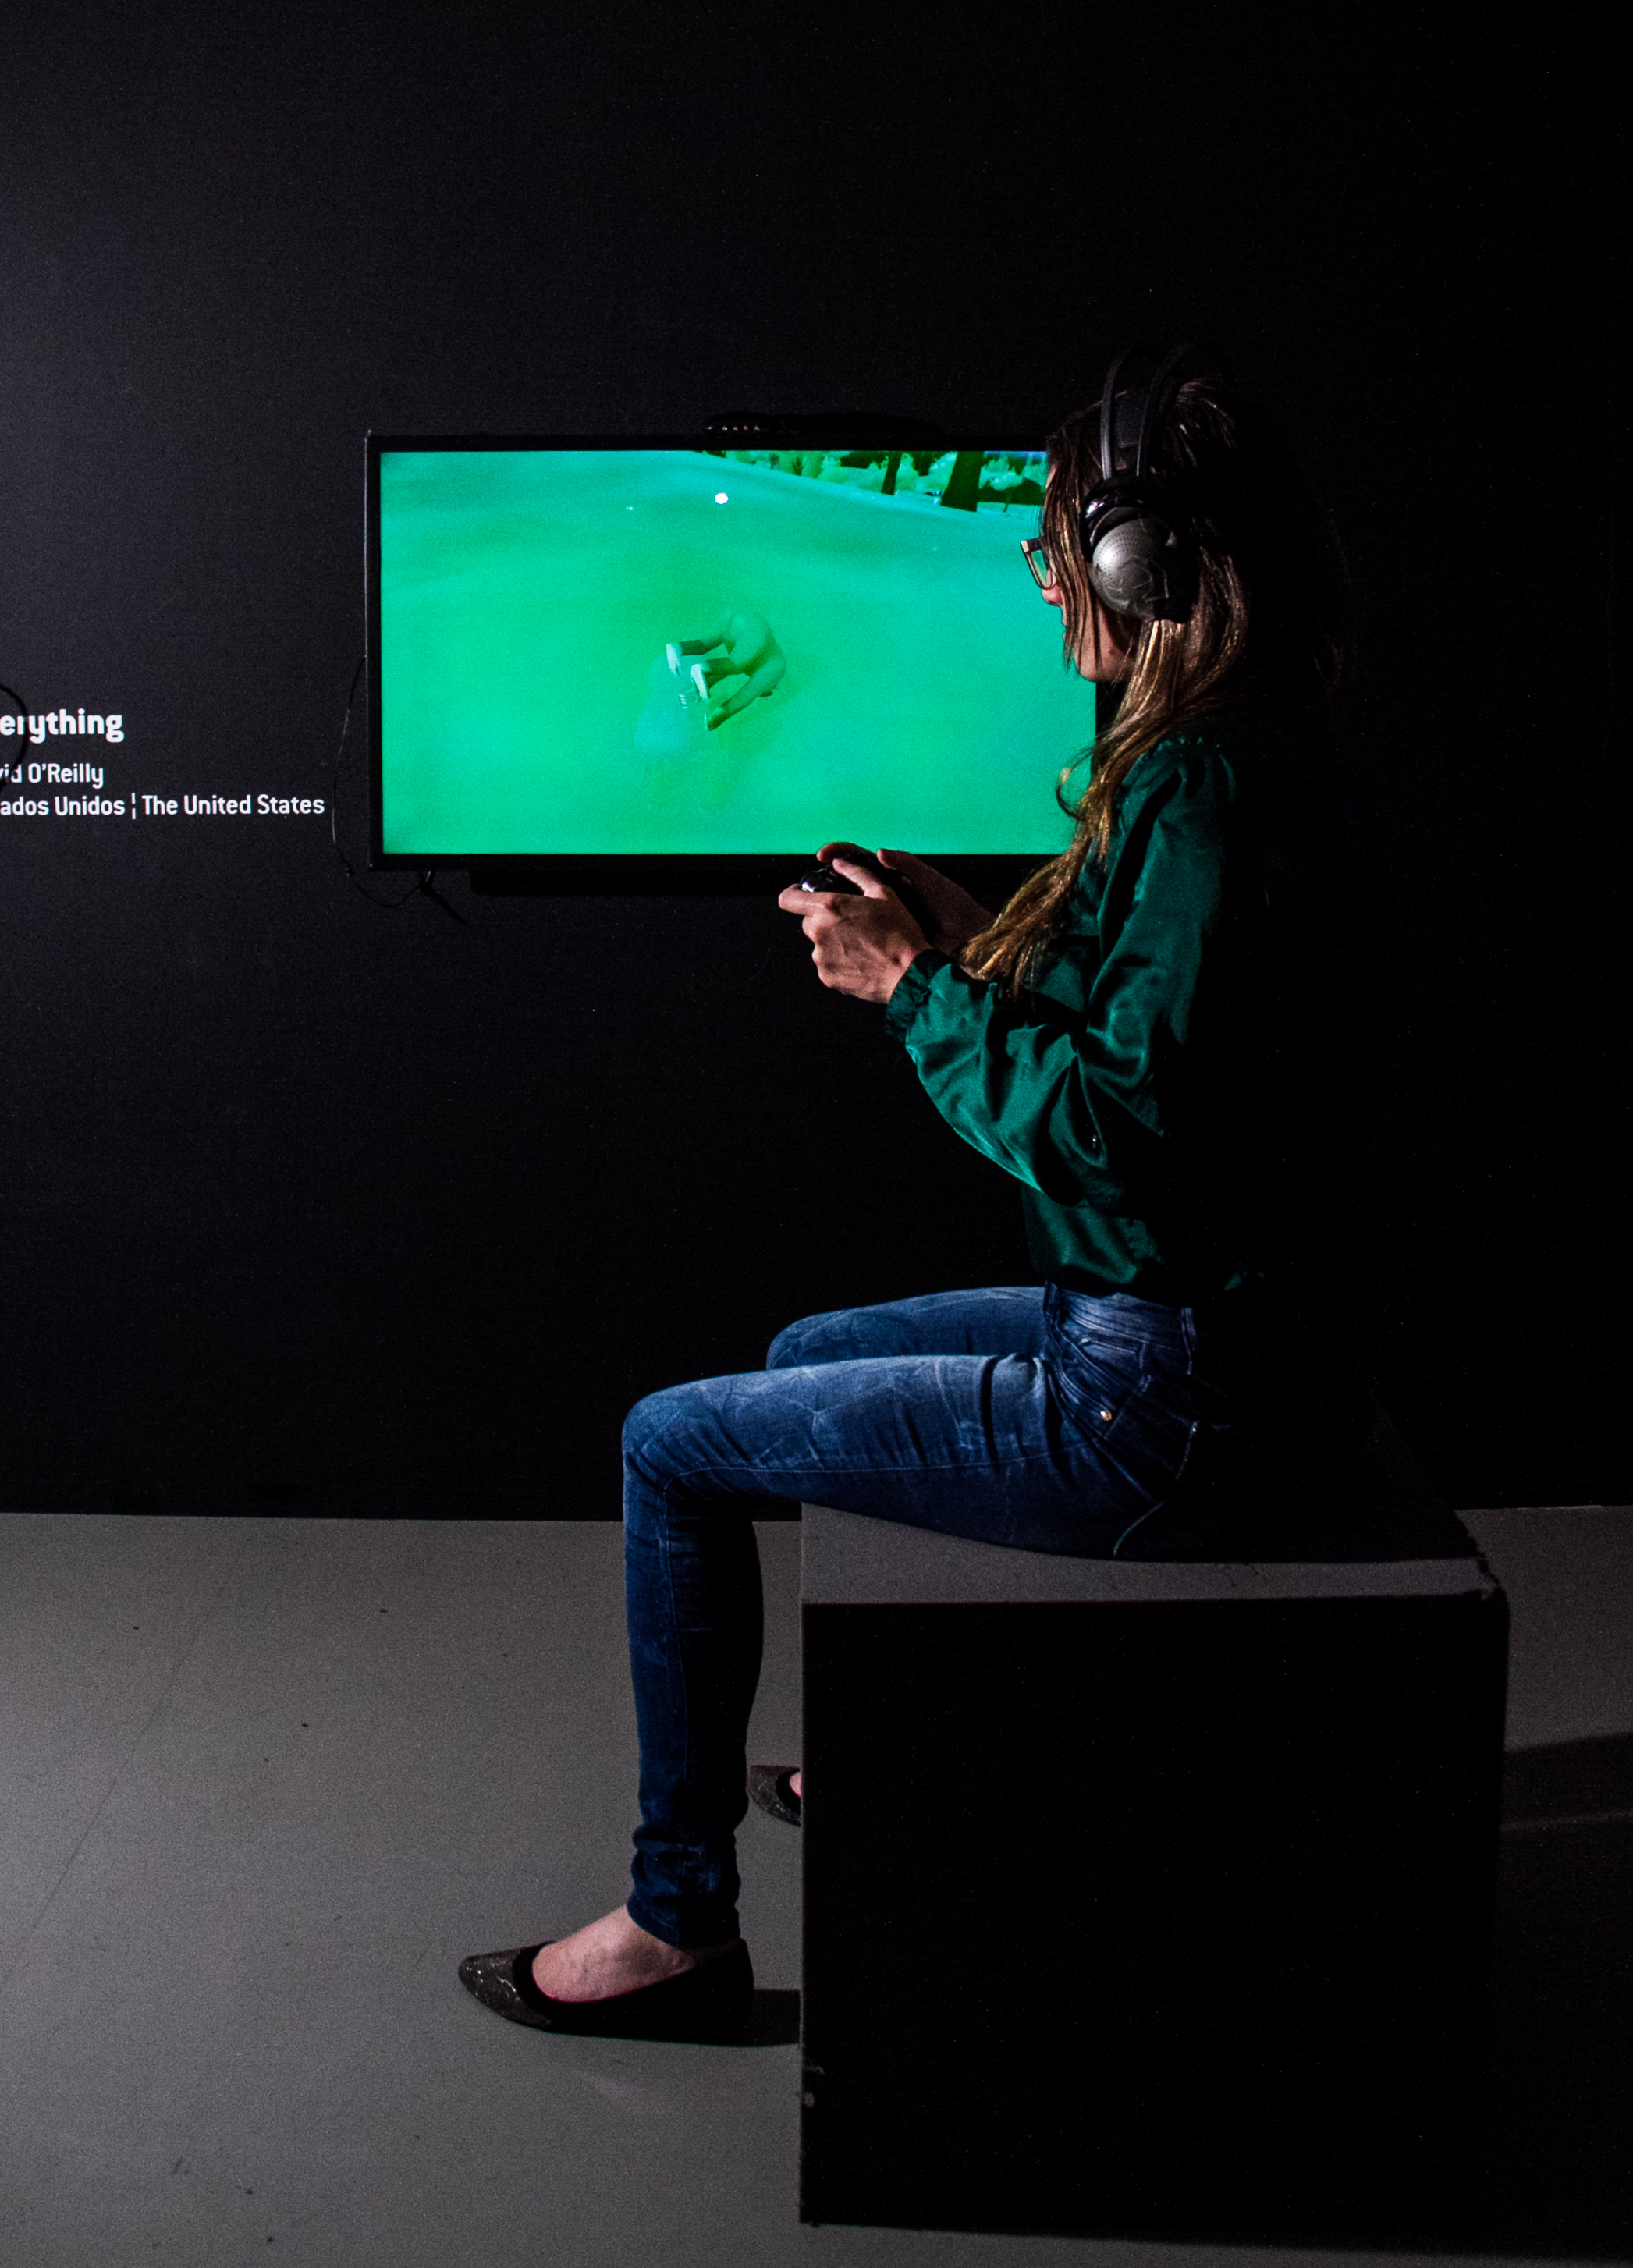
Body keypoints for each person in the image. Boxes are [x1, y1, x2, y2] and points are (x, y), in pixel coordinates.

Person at [459, 345, 1376, 2043]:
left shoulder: (1200, 789)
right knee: (804, 1351)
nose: (1044, 578)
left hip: (1167, 1400)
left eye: (1056, 544)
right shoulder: (1227, 755)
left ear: (1143, 563)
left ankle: (677, 1926)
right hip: (1185, 1336)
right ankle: (894, 1744)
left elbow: (1109, 1133)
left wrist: (912, 986)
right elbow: (1155, 1050)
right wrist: (964, 934)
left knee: (668, 1444)